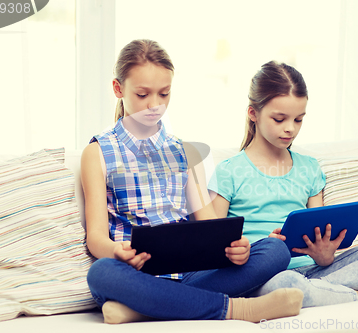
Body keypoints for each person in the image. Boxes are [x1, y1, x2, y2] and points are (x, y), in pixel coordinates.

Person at [81, 40, 304, 324]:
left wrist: (235, 247)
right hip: (134, 272)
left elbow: (210, 227)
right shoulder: (98, 152)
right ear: (118, 89)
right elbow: (96, 238)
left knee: (275, 250)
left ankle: (141, 309)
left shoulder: (184, 151)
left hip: (189, 271)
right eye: (142, 94)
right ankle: (237, 309)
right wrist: (116, 251)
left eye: (164, 94)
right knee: (100, 274)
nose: (154, 105)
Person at [208, 60, 358, 308]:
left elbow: (318, 230)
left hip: (316, 271)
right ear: (253, 114)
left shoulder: (309, 168)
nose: (290, 129)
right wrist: (248, 252)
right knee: (287, 285)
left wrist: (325, 254)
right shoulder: (228, 171)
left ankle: (321, 293)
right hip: (267, 278)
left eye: (298, 120)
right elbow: (212, 248)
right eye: (279, 119)